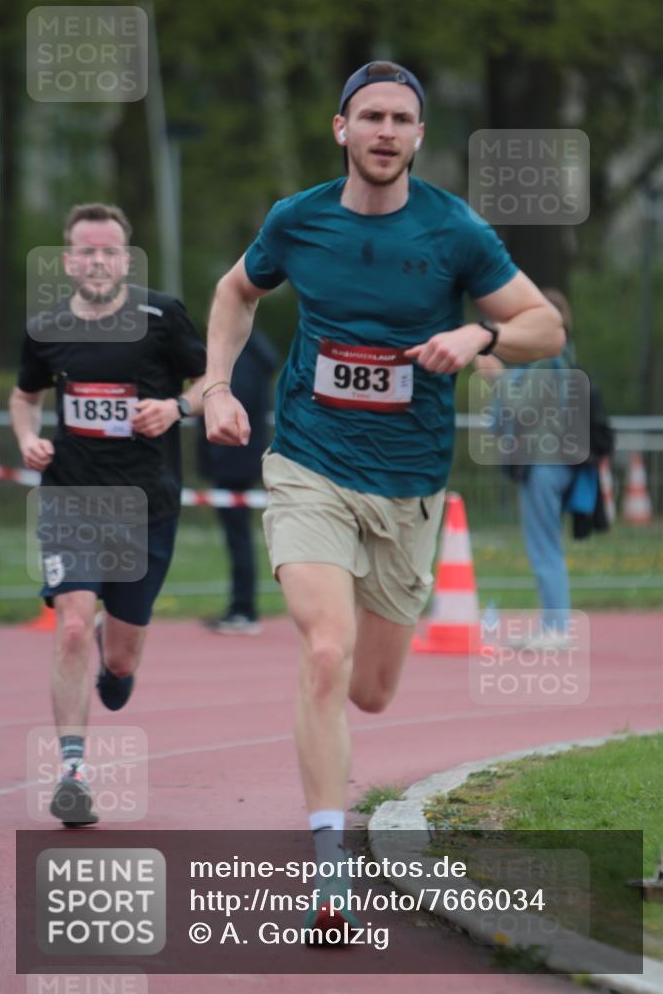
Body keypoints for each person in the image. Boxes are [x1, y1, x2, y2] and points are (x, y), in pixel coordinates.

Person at [203, 61, 564, 926]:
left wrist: (478, 334)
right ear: (341, 129)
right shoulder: (299, 220)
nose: (385, 132)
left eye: (402, 119)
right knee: (323, 652)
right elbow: (233, 291)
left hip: (406, 484)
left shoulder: (454, 229)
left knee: (370, 691)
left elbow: (543, 327)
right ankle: (330, 867)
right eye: (370, 117)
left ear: (418, 137)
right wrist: (215, 387)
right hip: (308, 464)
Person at [10, 202, 206, 826]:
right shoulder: (47, 328)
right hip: (71, 497)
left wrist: (176, 407)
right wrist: (26, 438)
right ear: (69, 261)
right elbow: (25, 395)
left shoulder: (161, 317)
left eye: (110, 251)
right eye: (87, 251)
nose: (98, 261)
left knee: (119, 663)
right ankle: (72, 771)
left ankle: (112, 653)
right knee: (70, 624)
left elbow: (210, 383)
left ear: (126, 258)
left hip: (146, 505)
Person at [476, 288, 577, 645]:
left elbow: (521, 412)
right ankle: (551, 624)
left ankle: (557, 628)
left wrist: (497, 380)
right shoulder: (546, 363)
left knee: (544, 545)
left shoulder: (548, 362)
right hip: (544, 462)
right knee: (542, 544)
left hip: (544, 463)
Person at [197, 329, 278, 634]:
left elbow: (228, 409)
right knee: (239, 534)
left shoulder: (240, 359)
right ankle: (241, 606)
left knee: (238, 536)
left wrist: (215, 458)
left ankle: (243, 609)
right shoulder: (253, 355)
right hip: (239, 456)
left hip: (233, 457)